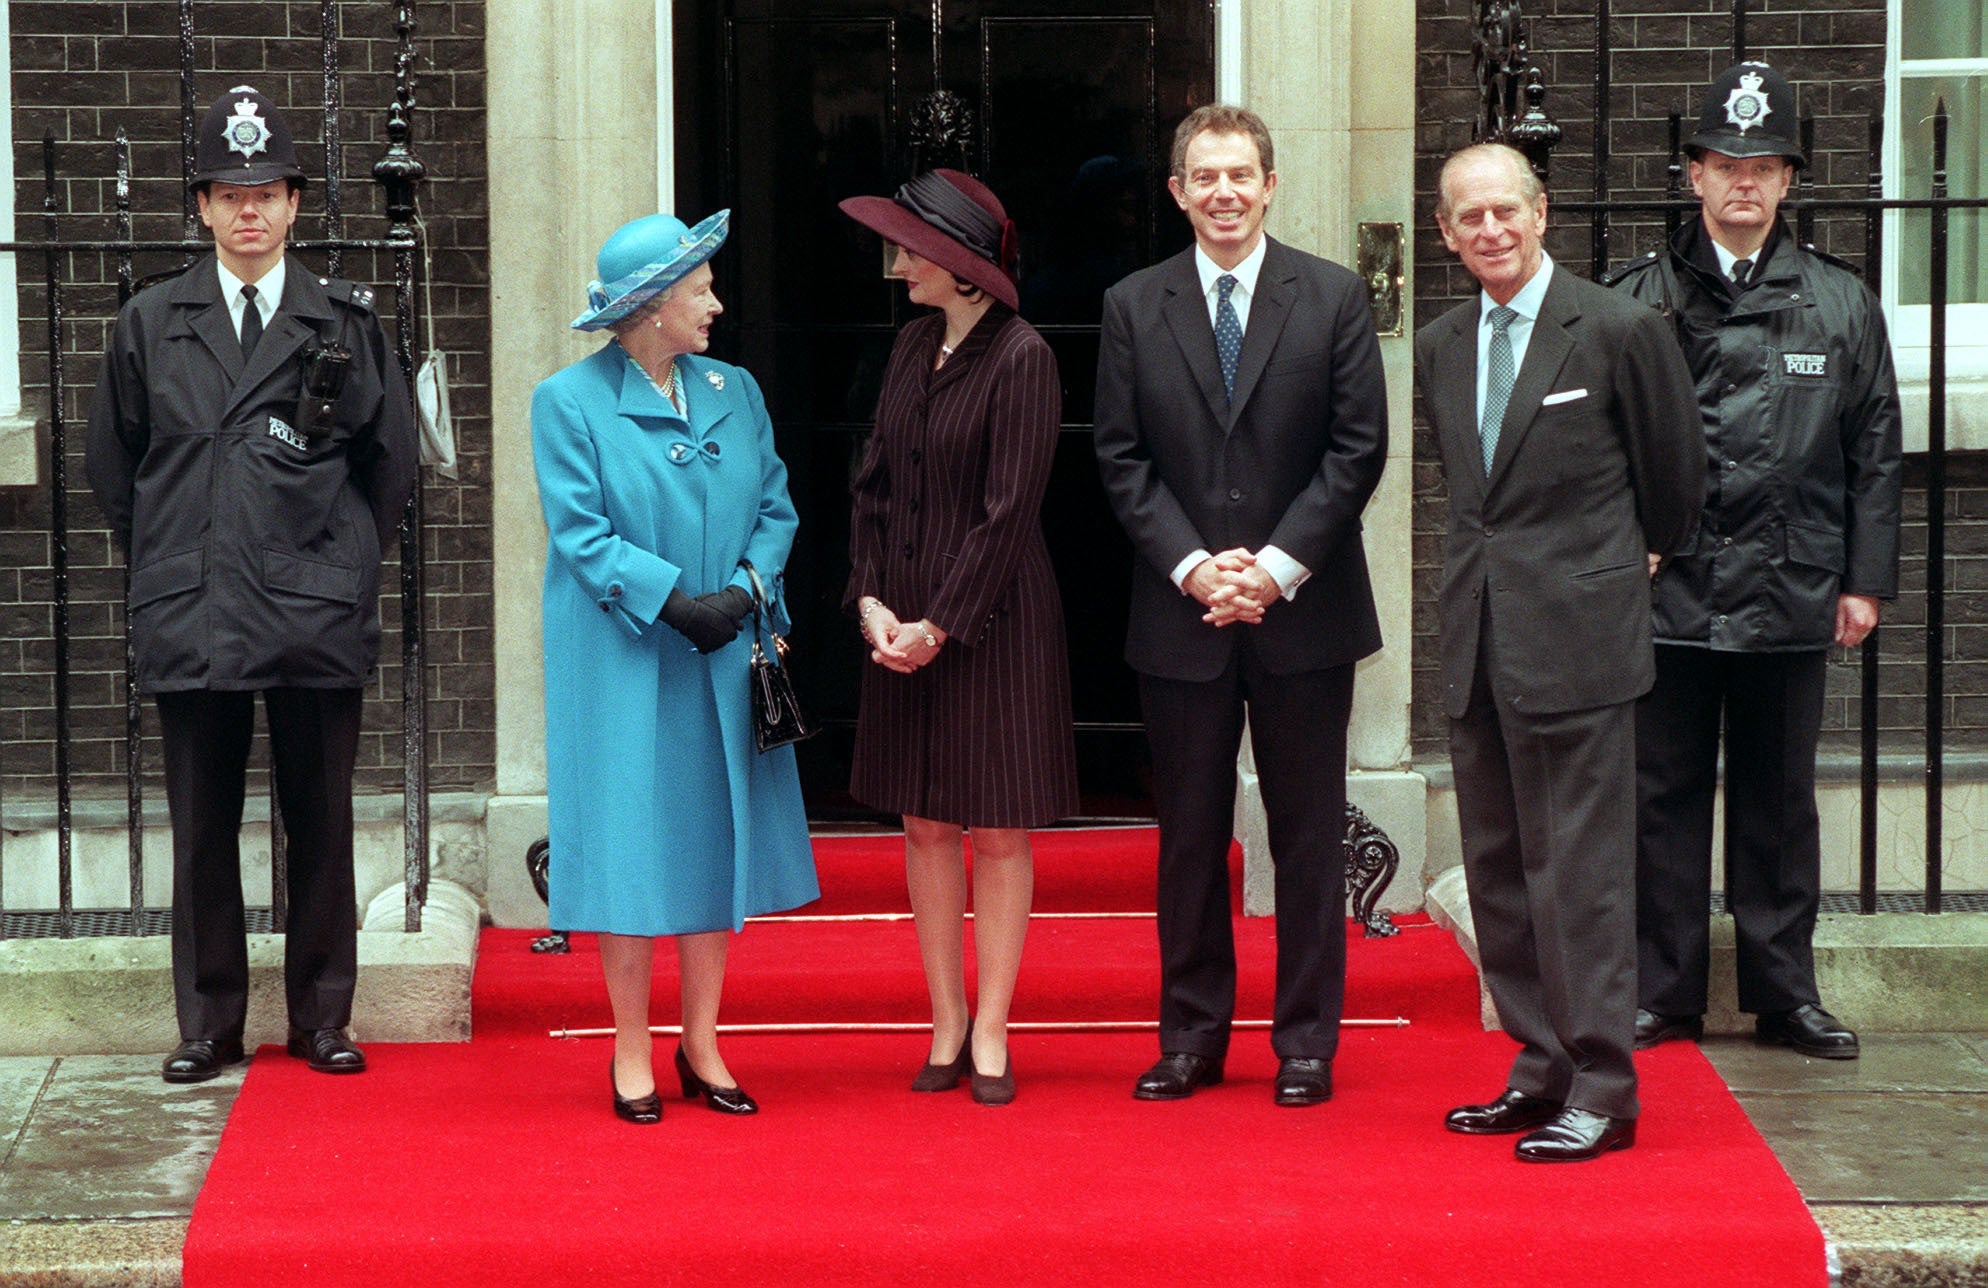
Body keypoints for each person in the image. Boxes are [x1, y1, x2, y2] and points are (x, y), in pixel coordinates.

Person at [85, 86, 417, 1084]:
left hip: (310, 602)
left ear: (295, 204)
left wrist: (339, 565)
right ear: (200, 206)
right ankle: (209, 1022)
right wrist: (180, 552)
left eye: (267, 192)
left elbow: (389, 466)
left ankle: (321, 1016)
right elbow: (117, 467)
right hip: (193, 604)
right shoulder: (149, 323)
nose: (249, 212)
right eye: (230, 194)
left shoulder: (343, 322)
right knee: (200, 829)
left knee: (319, 822)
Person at [1092, 104, 1386, 1108]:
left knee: (1307, 836)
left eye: (1239, 175)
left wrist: (1270, 567)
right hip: (1179, 616)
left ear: (1269, 184)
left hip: (1302, 612)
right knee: (1188, 838)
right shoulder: (1133, 304)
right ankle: (1190, 1035)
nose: (1222, 192)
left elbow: (1356, 449)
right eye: (1202, 176)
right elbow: (1118, 454)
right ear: (1176, 192)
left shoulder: (1334, 297)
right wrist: (1191, 567)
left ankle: (1305, 1042)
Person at [1608, 62, 1902, 1061]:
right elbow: (1602, 449)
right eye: (1725, 162)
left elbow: (1873, 447)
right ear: (1690, 174)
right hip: (1667, 589)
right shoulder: (1633, 299)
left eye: (1764, 165)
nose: (1744, 181)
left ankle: (1784, 994)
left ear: (1785, 182)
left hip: (1793, 584)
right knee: (1660, 795)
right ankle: (1662, 991)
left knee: (1779, 800)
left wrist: (1862, 580)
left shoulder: (1837, 302)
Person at [1417, 142, 1702, 1161]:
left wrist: (1612, 568)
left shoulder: (1619, 329)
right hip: (1479, 640)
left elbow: (1674, 483)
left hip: (1579, 643)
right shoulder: (1442, 344)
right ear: (1445, 234)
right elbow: (1468, 493)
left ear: (1539, 215)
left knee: (1577, 874)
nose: (1488, 230)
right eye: (1467, 218)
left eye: (1504, 210)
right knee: (1497, 869)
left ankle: (1602, 1084)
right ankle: (1537, 1068)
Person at [533, 210, 819, 1124]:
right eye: (700, 290)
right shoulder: (568, 403)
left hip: (725, 648)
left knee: (712, 837)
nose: (716, 303)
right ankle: (629, 1048)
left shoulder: (736, 388)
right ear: (653, 306)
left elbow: (776, 505)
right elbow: (580, 533)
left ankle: (703, 1040)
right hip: (624, 655)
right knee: (627, 843)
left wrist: (743, 591)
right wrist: (670, 599)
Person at [838, 170, 1078, 1107]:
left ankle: (992, 1028)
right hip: (898, 621)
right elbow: (873, 486)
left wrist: (942, 623)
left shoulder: (1024, 357)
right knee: (925, 824)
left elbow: (1009, 511)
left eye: (907, 246)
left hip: (994, 625)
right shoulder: (907, 347)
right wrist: (870, 605)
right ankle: (943, 1017)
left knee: (1001, 833)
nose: (895, 262)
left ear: (957, 263)